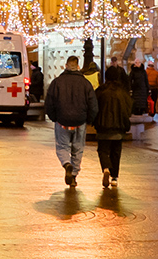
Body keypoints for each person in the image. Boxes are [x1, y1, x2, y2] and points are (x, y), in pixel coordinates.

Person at [44, 55, 93, 187]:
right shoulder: (85, 83)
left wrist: (54, 117)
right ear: (78, 66)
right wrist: (89, 119)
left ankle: (67, 164)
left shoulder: (57, 82)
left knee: (62, 147)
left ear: (65, 65)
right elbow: (92, 103)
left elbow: (49, 102)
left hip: (62, 120)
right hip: (80, 121)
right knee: (78, 149)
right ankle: (74, 175)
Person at [92, 54, 133, 186]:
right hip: (119, 127)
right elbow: (128, 110)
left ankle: (105, 168)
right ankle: (114, 177)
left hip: (103, 126)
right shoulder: (123, 93)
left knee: (103, 150)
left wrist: (94, 121)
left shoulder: (100, 91)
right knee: (116, 151)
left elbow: (94, 108)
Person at [128, 61, 151, 131]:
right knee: (137, 102)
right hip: (136, 89)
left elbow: (146, 80)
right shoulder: (133, 72)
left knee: (141, 102)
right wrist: (130, 88)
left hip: (142, 89)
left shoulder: (143, 72)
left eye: (138, 62)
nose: (137, 64)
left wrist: (148, 89)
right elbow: (129, 80)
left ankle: (141, 111)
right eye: (136, 63)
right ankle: (138, 112)